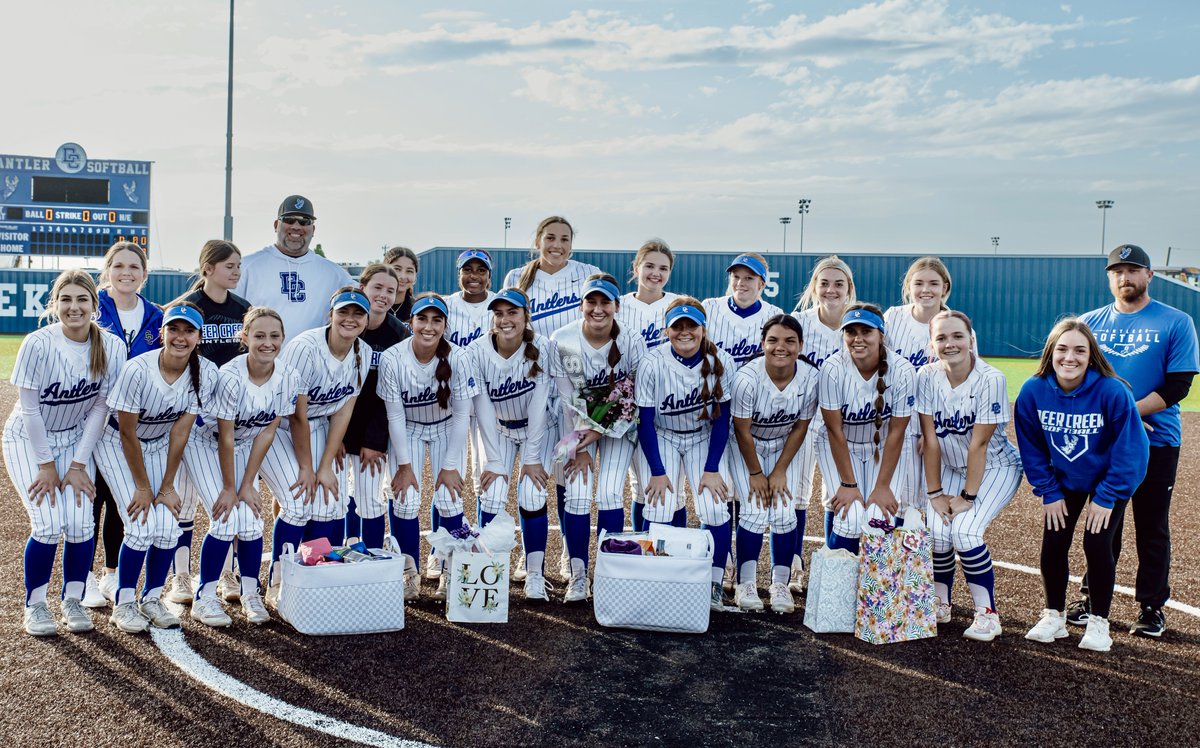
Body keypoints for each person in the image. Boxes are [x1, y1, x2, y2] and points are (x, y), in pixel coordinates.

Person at [1071, 244, 1198, 638]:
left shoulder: (1176, 322)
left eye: (1133, 270)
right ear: (1109, 277)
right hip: (1104, 440)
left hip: (1157, 439)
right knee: (1102, 519)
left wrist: (1128, 415)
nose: (1124, 277)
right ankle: (1093, 597)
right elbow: (1077, 377)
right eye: (1117, 271)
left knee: (1152, 524)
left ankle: (1151, 607)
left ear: (1149, 276)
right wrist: (1116, 421)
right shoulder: (1089, 324)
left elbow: (1179, 384)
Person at [1016, 318, 1149, 653]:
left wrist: (1107, 497)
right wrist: (1048, 490)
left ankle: (1099, 622)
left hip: (1107, 480)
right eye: (1062, 349)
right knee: (1054, 541)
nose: (1070, 357)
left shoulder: (1112, 390)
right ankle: (1054, 617)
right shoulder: (1033, 391)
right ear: (1051, 352)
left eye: (1079, 350)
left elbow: (1131, 449)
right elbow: (1031, 448)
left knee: (1097, 542)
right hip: (1063, 480)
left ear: (1091, 356)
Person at [6, 271, 125, 635]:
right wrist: (46, 466)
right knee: (47, 523)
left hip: (75, 439)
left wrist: (76, 465)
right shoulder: (38, 343)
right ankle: (36, 606)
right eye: (66, 299)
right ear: (55, 304)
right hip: (28, 439)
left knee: (79, 522)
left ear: (94, 304)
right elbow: (29, 410)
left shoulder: (112, 347)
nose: (74, 307)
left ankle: (72, 600)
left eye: (82, 299)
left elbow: (100, 410)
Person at [95, 303, 219, 633]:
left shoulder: (205, 372)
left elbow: (180, 431)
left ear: (199, 336)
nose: (180, 337)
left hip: (160, 442)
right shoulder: (139, 369)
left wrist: (166, 485)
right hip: (116, 444)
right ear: (162, 332)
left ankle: (150, 599)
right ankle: (123, 604)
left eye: (188, 331)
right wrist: (142, 487)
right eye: (174, 329)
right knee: (139, 524)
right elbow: (126, 431)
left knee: (167, 526)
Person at [186, 308, 298, 627]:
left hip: (246, 440)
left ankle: (251, 592)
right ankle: (204, 597)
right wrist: (229, 487)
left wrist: (248, 484)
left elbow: (267, 430)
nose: (267, 342)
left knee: (250, 521)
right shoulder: (232, 376)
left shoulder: (287, 376)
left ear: (282, 339)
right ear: (244, 337)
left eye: (274, 336)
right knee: (224, 517)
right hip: (206, 443)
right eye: (259, 335)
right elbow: (225, 436)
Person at [504, 217, 600, 579]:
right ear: (538, 240)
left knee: (568, 476)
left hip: (573, 387)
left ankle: (569, 558)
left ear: (571, 244)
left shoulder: (587, 272)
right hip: (532, 384)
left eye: (564, 239)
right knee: (533, 480)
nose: (556, 245)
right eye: (549, 238)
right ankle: (532, 560)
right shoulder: (518, 277)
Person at [261, 288, 371, 604]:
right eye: (343, 312)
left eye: (357, 314)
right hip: (276, 426)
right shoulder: (306, 348)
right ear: (331, 314)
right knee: (298, 499)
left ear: (365, 320)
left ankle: (313, 574)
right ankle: (277, 581)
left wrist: (324, 467)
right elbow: (296, 414)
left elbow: (343, 411)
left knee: (331, 502)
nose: (350, 319)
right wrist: (309, 468)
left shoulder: (363, 354)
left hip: (318, 424)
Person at [917, 311, 1022, 641]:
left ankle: (987, 612)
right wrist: (935, 494)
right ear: (932, 344)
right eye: (942, 338)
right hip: (948, 466)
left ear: (971, 339)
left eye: (957, 336)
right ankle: (941, 601)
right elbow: (930, 440)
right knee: (936, 529)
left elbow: (978, 444)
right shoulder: (926, 376)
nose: (950, 344)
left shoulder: (991, 378)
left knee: (964, 531)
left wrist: (967, 497)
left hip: (994, 466)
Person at [377, 294, 479, 602]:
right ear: (411, 322)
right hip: (407, 427)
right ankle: (409, 572)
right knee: (405, 499)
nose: (429, 326)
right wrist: (405, 467)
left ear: (445, 325)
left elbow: (463, 414)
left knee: (449, 499)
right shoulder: (393, 358)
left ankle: (450, 571)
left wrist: (449, 467)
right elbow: (394, 415)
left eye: (437, 320)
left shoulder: (458, 357)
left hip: (447, 426)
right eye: (422, 319)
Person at [551, 274, 646, 603]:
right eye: (591, 301)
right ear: (582, 305)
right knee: (576, 492)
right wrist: (580, 446)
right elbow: (567, 401)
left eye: (605, 302)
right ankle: (578, 575)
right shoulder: (562, 339)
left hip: (621, 424)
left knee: (607, 493)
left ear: (617, 306)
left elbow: (632, 398)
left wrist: (590, 436)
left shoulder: (632, 340)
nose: (598, 308)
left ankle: (608, 573)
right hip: (575, 424)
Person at [635, 298, 736, 610]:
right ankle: (657, 580)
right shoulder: (652, 362)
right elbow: (645, 422)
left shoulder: (722, 362)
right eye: (677, 326)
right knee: (659, 506)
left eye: (691, 325)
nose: (684, 332)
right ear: (667, 330)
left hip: (702, 438)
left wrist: (711, 468)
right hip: (662, 436)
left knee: (715, 507)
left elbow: (722, 421)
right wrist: (657, 471)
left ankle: (713, 582)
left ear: (702, 328)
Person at [167, 239, 252, 607]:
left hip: (231, 420)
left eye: (238, 265)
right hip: (190, 418)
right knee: (184, 504)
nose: (236, 271)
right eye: (229, 265)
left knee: (228, 501)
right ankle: (181, 578)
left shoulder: (243, 309)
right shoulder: (185, 309)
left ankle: (228, 572)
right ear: (208, 269)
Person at [89, 241, 163, 608]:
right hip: (91, 418)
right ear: (108, 270)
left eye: (134, 267)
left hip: (131, 423)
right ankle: (83, 577)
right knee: (92, 497)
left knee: (124, 500)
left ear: (144, 274)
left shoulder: (156, 316)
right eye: (119, 266)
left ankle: (112, 572)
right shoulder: (93, 306)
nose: (126, 273)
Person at [729, 314, 819, 614]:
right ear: (763, 343)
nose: (782, 347)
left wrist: (779, 470)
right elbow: (742, 430)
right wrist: (756, 473)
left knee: (784, 513)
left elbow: (800, 428)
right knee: (754, 510)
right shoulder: (747, 378)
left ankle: (779, 583)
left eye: (790, 341)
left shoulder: (810, 377)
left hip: (783, 445)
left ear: (801, 345)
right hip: (747, 445)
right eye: (774, 340)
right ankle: (746, 583)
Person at [469, 288, 552, 600]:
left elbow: (540, 406)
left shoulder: (542, 346)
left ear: (526, 316)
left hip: (538, 429)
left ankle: (534, 574)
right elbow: (483, 408)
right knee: (491, 495)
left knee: (531, 494)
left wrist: (532, 459)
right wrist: (493, 460)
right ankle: (488, 571)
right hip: (499, 430)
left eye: (513, 312)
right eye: (499, 313)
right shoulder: (478, 350)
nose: (505, 319)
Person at [816, 304, 917, 555]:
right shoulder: (833, 368)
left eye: (866, 331)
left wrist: (883, 487)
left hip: (884, 446)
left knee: (879, 519)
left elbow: (896, 432)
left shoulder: (902, 370)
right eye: (851, 332)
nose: (858, 338)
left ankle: (878, 593)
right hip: (840, 445)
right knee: (849, 518)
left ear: (881, 335)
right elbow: (834, 429)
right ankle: (838, 592)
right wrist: (848, 485)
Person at [788, 255, 856, 591]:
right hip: (801, 419)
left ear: (849, 289)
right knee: (798, 494)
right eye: (824, 282)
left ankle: (833, 565)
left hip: (841, 425)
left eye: (838, 283)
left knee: (836, 494)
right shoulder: (798, 322)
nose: (831, 289)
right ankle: (794, 564)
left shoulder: (856, 326)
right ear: (814, 287)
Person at [342, 265, 410, 552]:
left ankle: (368, 558)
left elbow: (392, 398)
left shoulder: (399, 334)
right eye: (377, 287)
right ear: (362, 288)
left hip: (373, 426)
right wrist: (335, 438)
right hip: (337, 424)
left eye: (390, 291)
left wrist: (374, 441)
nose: (383, 295)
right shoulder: (342, 324)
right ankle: (341, 552)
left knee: (369, 497)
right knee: (333, 499)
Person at [617, 239, 680, 534]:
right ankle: (639, 551)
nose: (656, 273)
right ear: (636, 267)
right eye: (650, 266)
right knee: (638, 486)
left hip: (665, 406)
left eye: (663, 268)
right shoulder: (619, 306)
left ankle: (666, 553)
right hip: (624, 403)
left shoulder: (678, 304)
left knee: (666, 487)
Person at [884, 256, 954, 516]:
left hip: (936, 421)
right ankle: (903, 557)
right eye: (919, 283)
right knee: (899, 497)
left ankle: (932, 555)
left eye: (934, 283)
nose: (926, 290)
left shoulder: (956, 324)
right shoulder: (893, 317)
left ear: (945, 287)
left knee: (933, 496)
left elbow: (961, 383)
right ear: (909, 287)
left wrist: (932, 430)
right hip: (896, 418)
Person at [235, 195, 353, 336]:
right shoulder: (247, 266)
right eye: (289, 220)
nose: (296, 226)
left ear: (313, 229)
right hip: (260, 356)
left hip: (314, 357)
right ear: (275, 225)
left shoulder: (334, 273)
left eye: (304, 221)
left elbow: (365, 304)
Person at [445, 249, 497, 502]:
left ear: (489, 276)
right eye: (467, 269)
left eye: (480, 270)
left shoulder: (501, 306)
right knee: (446, 474)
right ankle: (443, 540)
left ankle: (483, 539)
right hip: (451, 397)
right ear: (459, 274)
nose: (473, 275)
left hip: (488, 397)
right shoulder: (446, 305)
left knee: (485, 477)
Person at [702, 253, 785, 368]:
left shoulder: (775, 314)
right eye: (736, 277)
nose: (740, 283)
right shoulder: (709, 307)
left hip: (757, 385)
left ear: (761, 284)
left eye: (749, 278)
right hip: (716, 384)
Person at [384, 246, 419, 322]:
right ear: (384, 270)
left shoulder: (418, 309)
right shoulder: (371, 305)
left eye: (409, 271)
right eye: (397, 269)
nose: (403, 276)